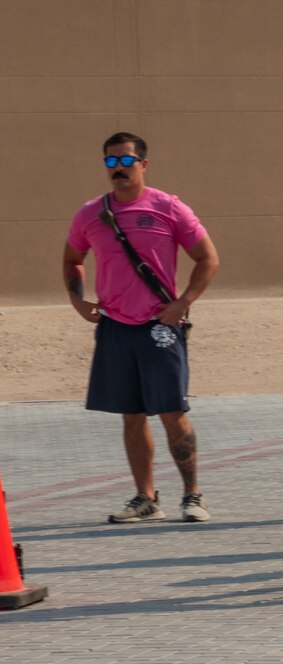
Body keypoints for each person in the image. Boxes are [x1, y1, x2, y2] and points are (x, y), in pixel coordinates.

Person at [61, 132, 221, 524]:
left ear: (143, 165)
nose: (118, 168)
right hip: (115, 327)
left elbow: (207, 259)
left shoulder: (168, 208)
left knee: (171, 410)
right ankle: (146, 498)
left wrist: (183, 303)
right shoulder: (90, 214)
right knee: (131, 415)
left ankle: (192, 495)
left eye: (126, 161)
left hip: (159, 326)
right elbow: (71, 259)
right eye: (111, 161)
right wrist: (78, 300)